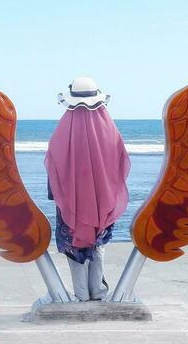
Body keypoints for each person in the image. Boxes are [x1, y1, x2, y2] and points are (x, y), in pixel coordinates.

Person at [46, 76, 130, 301]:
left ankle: (81, 294)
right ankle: (98, 291)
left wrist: (57, 195)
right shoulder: (109, 128)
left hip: (71, 202)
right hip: (103, 200)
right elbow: (119, 162)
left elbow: (54, 162)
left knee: (75, 246)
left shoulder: (64, 127)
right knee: (98, 244)